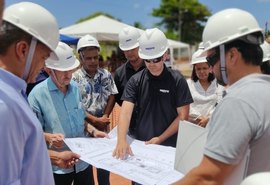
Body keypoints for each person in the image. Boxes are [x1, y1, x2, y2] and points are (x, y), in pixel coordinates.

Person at [172, 8, 270, 185]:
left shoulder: (238, 101)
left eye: (211, 60)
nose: (210, 68)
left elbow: (207, 178)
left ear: (232, 55)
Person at [28, 42, 107, 185]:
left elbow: (79, 117)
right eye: (63, 71)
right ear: (49, 69)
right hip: (56, 167)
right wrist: (47, 137)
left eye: (71, 69)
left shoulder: (76, 88)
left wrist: (94, 131)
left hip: (83, 160)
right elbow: (30, 134)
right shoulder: (36, 96)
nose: (68, 75)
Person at [0, 2, 61, 185]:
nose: (44, 66)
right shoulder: (4, 105)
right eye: (43, 57)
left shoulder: (13, 93)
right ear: (23, 50)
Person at [113, 28, 193, 159]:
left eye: (156, 59)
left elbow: (183, 117)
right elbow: (125, 113)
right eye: (147, 60)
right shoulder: (135, 81)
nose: (151, 64)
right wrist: (121, 140)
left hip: (169, 148)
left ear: (165, 55)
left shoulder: (178, 80)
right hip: (141, 146)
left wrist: (160, 138)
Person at [73, 34, 118, 185]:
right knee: (84, 171)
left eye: (96, 57)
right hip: (83, 128)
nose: (93, 61)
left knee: (104, 169)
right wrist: (94, 120)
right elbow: (75, 105)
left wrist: (105, 116)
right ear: (81, 58)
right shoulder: (74, 79)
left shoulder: (106, 75)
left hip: (103, 128)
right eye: (89, 58)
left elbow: (112, 94)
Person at [187, 44, 224, 127]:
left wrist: (208, 119)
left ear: (210, 68)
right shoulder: (188, 84)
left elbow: (221, 103)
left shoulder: (218, 84)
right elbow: (186, 105)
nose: (201, 72)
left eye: (204, 68)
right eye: (198, 69)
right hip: (191, 126)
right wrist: (199, 118)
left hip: (212, 124)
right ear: (194, 69)